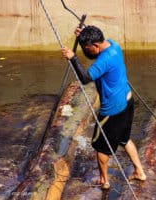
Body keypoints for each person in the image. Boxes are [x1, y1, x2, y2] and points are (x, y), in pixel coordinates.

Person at [61, 25, 146, 190]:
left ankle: (104, 181)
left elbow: (85, 78)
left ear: (96, 46)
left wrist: (73, 58)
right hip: (127, 101)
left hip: (112, 110)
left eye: (87, 48)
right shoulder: (113, 45)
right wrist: (83, 36)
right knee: (124, 139)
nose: (87, 51)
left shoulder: (104, 60)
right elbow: (93, 51)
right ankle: (140, 171)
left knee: (101, 147)